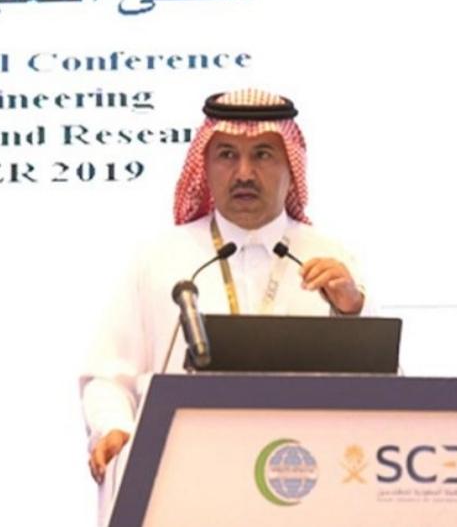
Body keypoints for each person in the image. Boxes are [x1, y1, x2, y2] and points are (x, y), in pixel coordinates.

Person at [78, 88, 370, 519]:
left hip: (303, 484)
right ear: (205, 164)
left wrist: (351, 313)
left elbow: (382, 387)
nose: (244, 173)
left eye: (263, 155)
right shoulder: (160, 258)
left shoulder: (330, 258)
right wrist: (114, 427)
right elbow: (108, 376)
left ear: (292, 167)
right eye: (227, 155)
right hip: (183, 488)